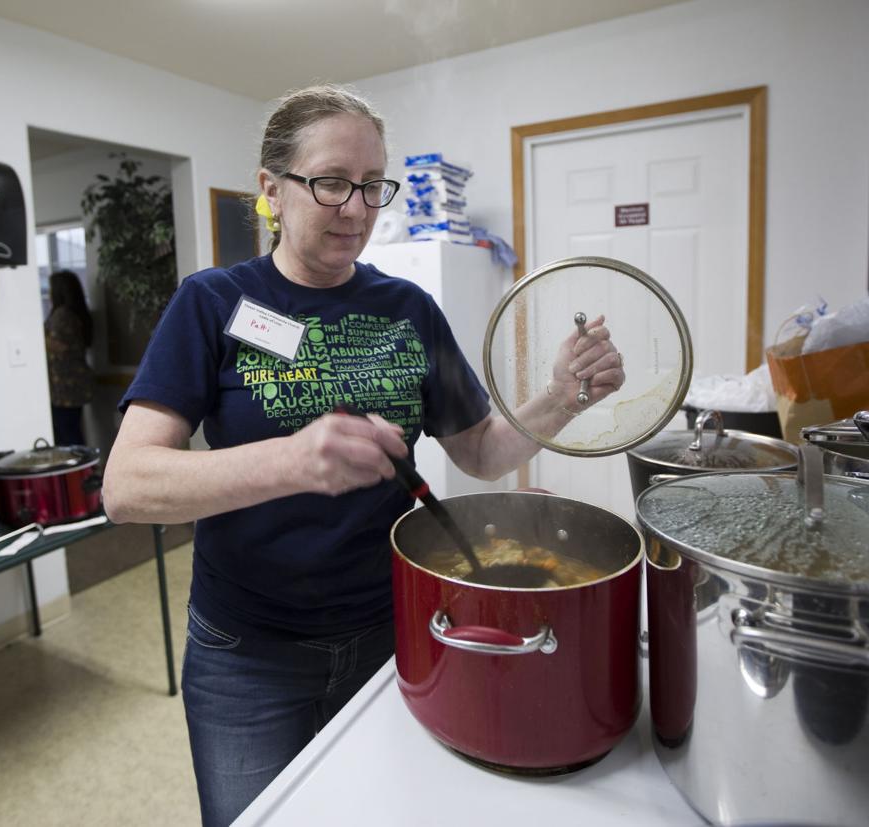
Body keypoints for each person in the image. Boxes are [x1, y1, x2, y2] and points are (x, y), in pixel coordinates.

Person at [101, 84, 624, 827]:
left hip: (394, 629)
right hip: (248, 652)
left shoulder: (408, 309)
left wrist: (561, 397)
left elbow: (479, 450)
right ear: (271, 190)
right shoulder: (211, 303)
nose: (357, 208)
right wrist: (290, 461)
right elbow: (126, 486)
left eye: (373, 185)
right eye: (331, 182)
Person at [44, 270, 94, 446]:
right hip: (74, 383)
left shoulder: (62, 315)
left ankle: (79, 473)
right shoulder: (77, 313)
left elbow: (58, 346)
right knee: (71, 429)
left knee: (67, 433)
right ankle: (82, 472)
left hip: (64, 386)